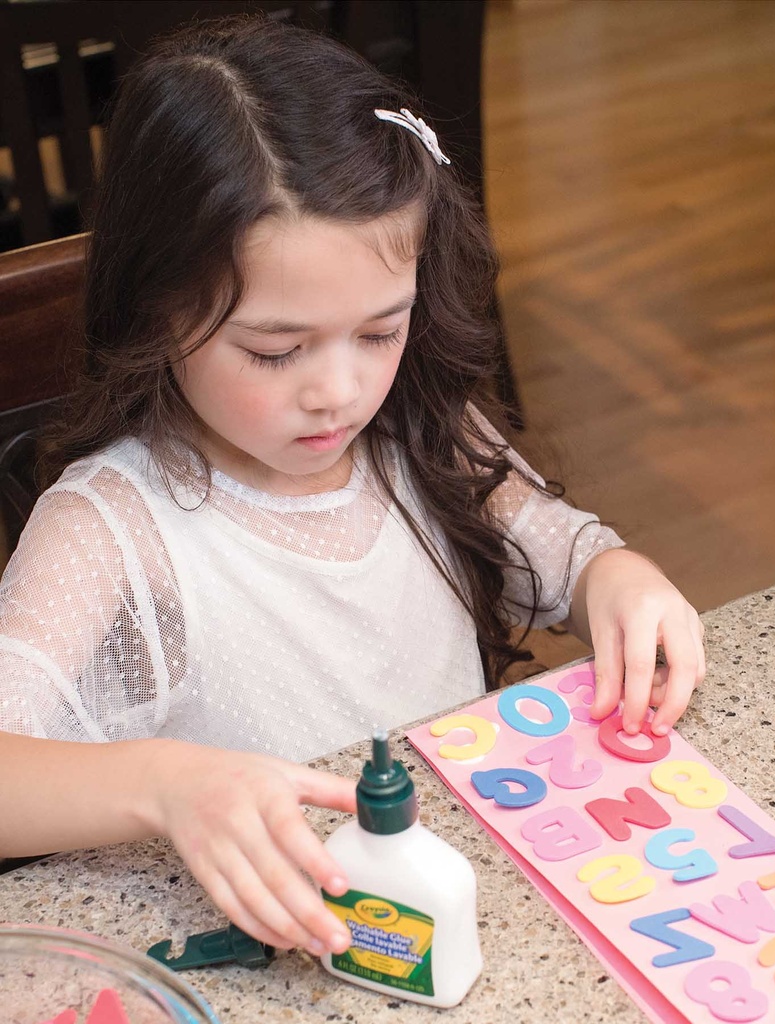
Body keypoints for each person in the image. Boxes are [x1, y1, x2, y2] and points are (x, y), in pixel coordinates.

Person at [0, 17, 705, 961]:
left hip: (468, 918)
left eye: (380, 331)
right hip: (278, 953)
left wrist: (613, 573)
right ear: (158, 307)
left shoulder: (417, 427)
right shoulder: (110, 527)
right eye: (276, 350)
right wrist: (165, 784)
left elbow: (563, 552)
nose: (339, 391)